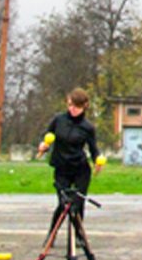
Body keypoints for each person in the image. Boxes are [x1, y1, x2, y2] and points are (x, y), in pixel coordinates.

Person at [36, 88, 104, 235]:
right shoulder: (58, 120)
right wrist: (43, 145)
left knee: (77, 205)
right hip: (61, 167)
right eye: (70, 105)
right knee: (63, 203)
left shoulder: (88, 127)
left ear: (84, 106)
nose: (72, 109)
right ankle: (52, 234)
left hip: (80, 169)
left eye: (76, 107)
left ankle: (79, 236)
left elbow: (93, 149)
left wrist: (97, 161)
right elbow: (46, 135)